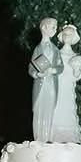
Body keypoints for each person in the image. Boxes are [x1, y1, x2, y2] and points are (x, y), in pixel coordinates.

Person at [29, 15, 62, 143]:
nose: (54, 29)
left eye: (55, 27)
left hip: (51, 85)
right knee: (38, 110)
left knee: (49, 110)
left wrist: (53, 70)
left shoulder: (55, 50)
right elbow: (31, 67)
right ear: (44, 28)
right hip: (41, 85)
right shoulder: (38, 49)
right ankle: (38, 138)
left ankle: (47, 138)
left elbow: (60, 66)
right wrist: (37, 75)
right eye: (52, 27)